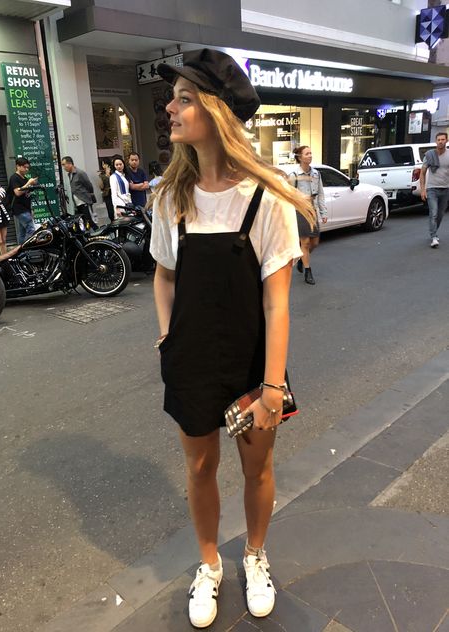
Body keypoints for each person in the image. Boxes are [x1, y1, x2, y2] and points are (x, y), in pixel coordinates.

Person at [151, 49, 313, 629]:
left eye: (184, 98)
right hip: (191, 362)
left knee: (257, 470)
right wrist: (168, 338)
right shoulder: (170, 199)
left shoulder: (267, 200)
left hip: (252, 366)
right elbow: (163, 275)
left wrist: (273, 385)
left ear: (216, 112)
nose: (169, 107)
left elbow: (278, 302)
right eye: (173, 98)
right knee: (198, 471)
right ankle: (209, 565)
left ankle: (254, 555)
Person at [287, 146, 327, 285]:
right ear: (300, 157)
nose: (310, 155)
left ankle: (302, 259)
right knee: (304, 242)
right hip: (300, 211)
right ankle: (308, 271)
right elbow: (289, 195)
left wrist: (323, 212)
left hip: (313, 210)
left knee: (314, 242)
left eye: (311, 153)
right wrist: (302, 198)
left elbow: (321, 193)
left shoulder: (316, 174)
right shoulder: (293, 175)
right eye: (307, 153)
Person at [420, 131, 449, 248]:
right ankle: (433, 236)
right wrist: (423, 190)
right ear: (436, 141)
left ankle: (434, 231)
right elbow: (422, 173)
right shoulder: (430, 155)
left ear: (446, 141)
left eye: (443, 139)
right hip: (432, 188)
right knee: (434, 212)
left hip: (446, 188)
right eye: (438, 140)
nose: (440, 142)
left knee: (440, 214)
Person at [61, 156, 97, 228]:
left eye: (64, 164)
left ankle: (99, 235)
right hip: (77, 204)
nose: (63, 167)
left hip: (84, 202)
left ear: (70, 164)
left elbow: (89, 186)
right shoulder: (70, 174)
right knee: (80, 222)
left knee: (89, 221)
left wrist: (87, 196)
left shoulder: (80, 173)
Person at [7, 157, 38, 244]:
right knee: (31, 229)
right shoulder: (14, 178)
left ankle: (20, 251)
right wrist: (29, 183)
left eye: (28, 167)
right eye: (24, 167)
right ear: (18, 166)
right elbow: (17, 192)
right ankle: (27, 250)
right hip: (19, 208)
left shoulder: (24, 178)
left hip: (26, 208)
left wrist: (31, 209)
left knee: (23, 232)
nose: (26, 169)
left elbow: (28, 195)